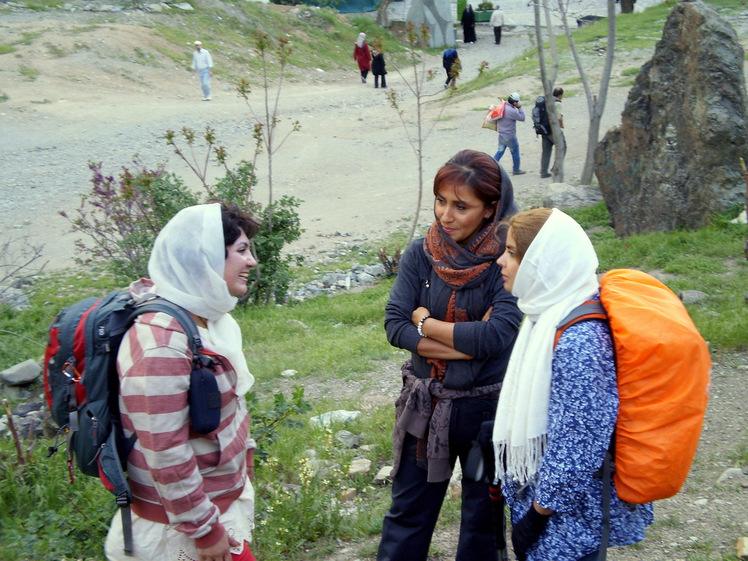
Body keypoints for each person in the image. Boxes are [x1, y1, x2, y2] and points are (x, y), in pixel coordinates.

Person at [377, 150, 524, 561]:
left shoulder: (506, 260)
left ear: (491, 208)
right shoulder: (421, 253)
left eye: (462, 206)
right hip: (426, 405)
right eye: (441, 200)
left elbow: (497, 335)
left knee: (482, 523)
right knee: (407, 515)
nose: (446, 215)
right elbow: (394, 326)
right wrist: (466, 345)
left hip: (488, 415)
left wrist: (425, 324)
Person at [492, 208, 654, 561]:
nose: (501, 261)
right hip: (554, 510)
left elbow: (577, 445)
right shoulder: (546, 312)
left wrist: (536, 516)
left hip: (570, 520)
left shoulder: (579, 339)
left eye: (512, 253)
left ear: (541, 263)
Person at [104, 201, 261, 561]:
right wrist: (204, 531)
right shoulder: (161, 345)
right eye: (241, 250)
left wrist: (244, 456)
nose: (252, 261)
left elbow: (230, 404)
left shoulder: (208, 321)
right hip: (179, 530)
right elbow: (165, 450)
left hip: (214, 508)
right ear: (204, 259)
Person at [494, 92, 526, 176]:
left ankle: (491, 166)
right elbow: (522, 118)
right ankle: (516, 170)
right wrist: (520, 108)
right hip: (510, 136)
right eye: (517, 102)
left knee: (499, 152)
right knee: (515, 153)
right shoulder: (512, 111)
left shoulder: (503, 106)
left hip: (501, 134)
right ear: (515, 102)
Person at [540, 88, 567, 179]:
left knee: (546, 152)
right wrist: (561, 125)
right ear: (560, 95)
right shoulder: (558, 103)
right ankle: (555, 168)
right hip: (553, 131)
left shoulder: (546, 101)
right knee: (562, 147)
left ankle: (543, 172)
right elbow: (559, 117)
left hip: (544, 130)